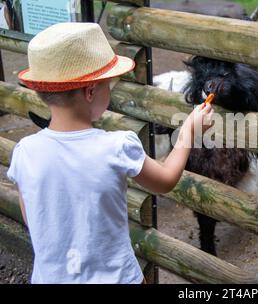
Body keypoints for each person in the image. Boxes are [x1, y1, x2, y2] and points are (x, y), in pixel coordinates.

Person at [7, 22, 214, 283]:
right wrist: (188, 131)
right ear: (91, 91)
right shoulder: (117, 146)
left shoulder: (25, 151)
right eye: (109, 84)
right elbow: (165, 180)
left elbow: (34, 219)